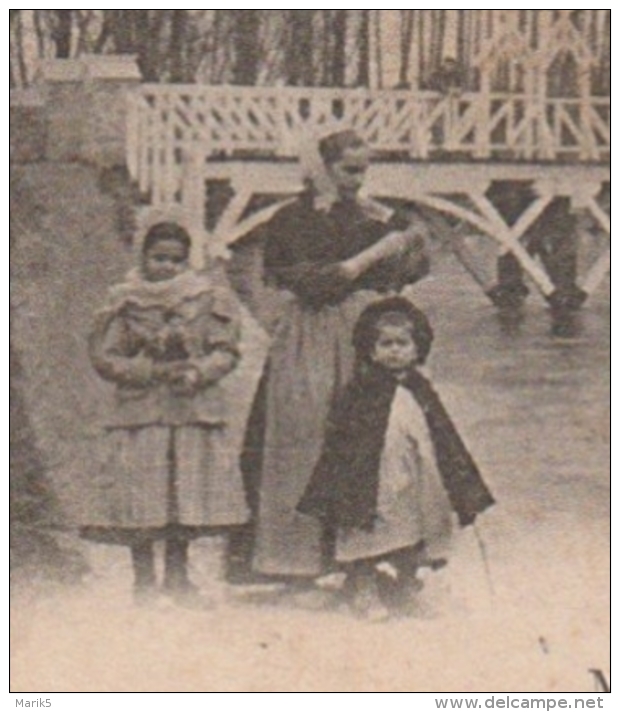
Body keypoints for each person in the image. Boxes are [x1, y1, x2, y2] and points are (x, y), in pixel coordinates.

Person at [227, 130, 431, 588]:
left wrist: (407, 240)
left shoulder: (372, 214)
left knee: (376, 440)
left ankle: (374, 558)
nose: (358, 181)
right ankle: (298, 563)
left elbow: (415, 266)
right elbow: (311, 283)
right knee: (302, 437)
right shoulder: (291, 219)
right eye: (349, 170)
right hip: (312, 334)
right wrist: (369, 257)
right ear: (321, 167)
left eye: (363, 171)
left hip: (365, 335)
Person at [298, 297, 495, 621]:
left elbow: (443, 437)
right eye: (384, 344)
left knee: (414, 531)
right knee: (367, 534)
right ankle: (363, 587)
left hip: (413, 479)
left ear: (417, 348)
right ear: (371, 350)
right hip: (371, 481)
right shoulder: (361, 391)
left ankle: (406, 587)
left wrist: (460, 484)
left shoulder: (421, 389)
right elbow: (342, 442)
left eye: (402, 343)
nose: (394, 351)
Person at [82, 222, 248, 607]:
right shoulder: (124, 302)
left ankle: (177, 577)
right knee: (141, 497)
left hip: (190, 411)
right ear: (143, 257)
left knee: (182, 495)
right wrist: (148, 371)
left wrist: (199, 371)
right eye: (159, 258)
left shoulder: (205, 298)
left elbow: (225, 350)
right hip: (142, 415)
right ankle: (143, 581)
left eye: (176, 260)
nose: (167, 267)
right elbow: (105, 357)